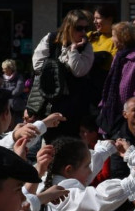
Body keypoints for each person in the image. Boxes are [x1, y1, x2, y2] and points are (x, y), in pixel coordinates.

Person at [30, 11, 95, 140]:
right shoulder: (51, 39)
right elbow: (37, 65)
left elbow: (78, 70)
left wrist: (73, 50)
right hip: (50, 103)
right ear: (68, 27)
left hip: (74, 106)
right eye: (78, 28)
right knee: (49, 145)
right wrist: (56, 68)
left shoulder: (86, 47)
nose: (83, 32)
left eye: (85, 28)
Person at [98, 21, 135, 132]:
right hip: (113, 114)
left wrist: (129, 111)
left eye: (113, 36)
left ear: (122, 38)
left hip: (128, 119)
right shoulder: (119, 56)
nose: (111, 39)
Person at [1, 59, 26, 126]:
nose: (3, 70)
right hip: (6, 105)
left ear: (10, 68)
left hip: (17, 106)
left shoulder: (18, 77)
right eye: (3, 69)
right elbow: (1, 90)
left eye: (5, 69)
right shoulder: (2, 78)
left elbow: (19, 89)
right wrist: (11, 89)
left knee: (18, 122)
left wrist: (8, 93)